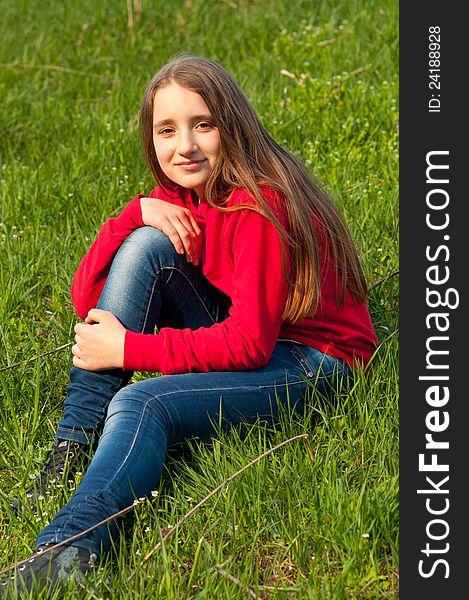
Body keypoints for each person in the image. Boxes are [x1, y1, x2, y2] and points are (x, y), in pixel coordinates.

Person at [1, 53, 378, 595]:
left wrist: (130, 350)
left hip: (315, 359)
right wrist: (136, 214)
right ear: (151, 139)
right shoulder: (183, 196)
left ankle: (72, 547)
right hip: (260, 333)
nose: (186, 146)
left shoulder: (258, 205)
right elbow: (87, 298)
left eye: (203, 125)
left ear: (232, 125)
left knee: (142, 402)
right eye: (167, 130)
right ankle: (72, 452)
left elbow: (249, 344)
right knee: (147, 246)